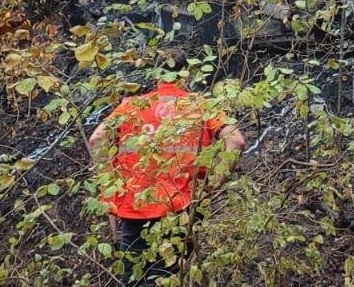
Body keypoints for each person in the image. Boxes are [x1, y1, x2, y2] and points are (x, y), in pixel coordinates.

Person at [89, 80, 246, 284]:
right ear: (186, 75)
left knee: (135, 278)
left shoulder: (131, 106)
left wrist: (109, 186)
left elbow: (96, 140)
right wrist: (214, 183)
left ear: (156, 78)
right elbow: (236, 141)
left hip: (135, 206)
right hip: (181, 207)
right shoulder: (201, 105)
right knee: (169, 277)